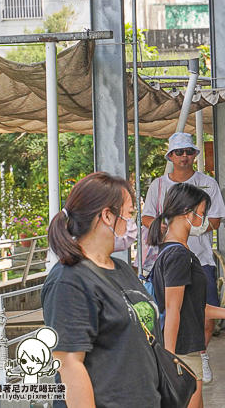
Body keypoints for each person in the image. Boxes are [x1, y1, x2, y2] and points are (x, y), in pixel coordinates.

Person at [42, 172, 162, 408]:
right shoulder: (69, 280)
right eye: (129, 213)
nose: (132, 222)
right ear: (108, 215)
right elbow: (69, 365)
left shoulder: (122, 269)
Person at [147, 183, 225, 408]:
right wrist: (169, 360)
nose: (205, 219)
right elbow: (173, 309)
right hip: (182, 353)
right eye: (203, 212)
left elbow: (190, 305)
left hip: (185, 351)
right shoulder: (178, 255)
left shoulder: (173, 251)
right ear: (188, 213)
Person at [142, 132, 225, 384]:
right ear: (170, 156)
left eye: (189, 151)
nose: (184, 156)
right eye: (179, 152)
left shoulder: (207, 183)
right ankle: (180, 360)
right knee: (174, 310)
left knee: (200, 314)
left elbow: (216, 219)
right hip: (176, 256)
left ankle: (199, 354)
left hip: (200, 257)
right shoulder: (158, 186)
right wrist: (169, 359)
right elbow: (173, 311)